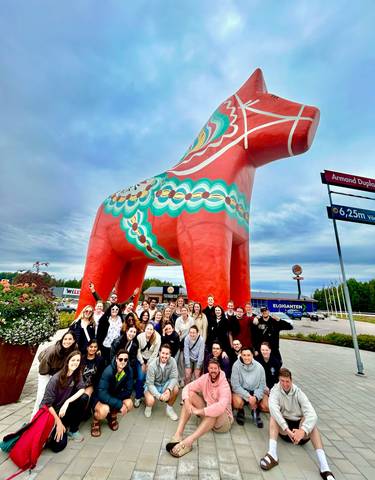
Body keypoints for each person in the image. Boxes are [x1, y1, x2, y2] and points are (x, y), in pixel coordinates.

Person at [260, 368, 336, 480]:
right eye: (282, 381)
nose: (285, 384)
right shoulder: (275, 391)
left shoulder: (298, 392)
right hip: (285, 430)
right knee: (273, 417)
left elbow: (312, 414)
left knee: (312, 425)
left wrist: (303, 431)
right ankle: (272, 455)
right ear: (279, 380)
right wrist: (287, 430)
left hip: (300, 430)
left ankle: (325, 468)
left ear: (291, 380)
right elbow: (274, 410)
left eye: (287, 381)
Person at [166, 358, 233, 458]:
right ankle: (178, 434)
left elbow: (220, 407)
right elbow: (187, 388)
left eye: (215, 368)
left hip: (223, 422)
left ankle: (189, 442)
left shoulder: (224, 385)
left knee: (214, 411)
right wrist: (187, 402)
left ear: (219, 369)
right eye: (211, 368)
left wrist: (199, 411)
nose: (213, 370)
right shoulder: (205, 378)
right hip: (207, 413)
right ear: (208, 369)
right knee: (190, 395)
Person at [41, 350, 87, 451]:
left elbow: (82, 389)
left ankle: (72, 429)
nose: (75, 362)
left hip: (64, 410)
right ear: (67, 361)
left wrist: (67, 402)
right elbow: (47, 404)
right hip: (52, 413)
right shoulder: (55, 379)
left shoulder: (76, 373)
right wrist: (58, 422)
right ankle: (53, 432)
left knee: (84, 397)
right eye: (73, 360)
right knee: (57, 447)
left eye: (78, 360)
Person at [31, 331, 77, 418]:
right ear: (62, 340)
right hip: (45, 369)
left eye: (70, 339)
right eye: (65, 339)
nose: (67, 341)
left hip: (58, 370)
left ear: (74, 340)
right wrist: (50, 379)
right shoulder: (52, 351)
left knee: (55, 393)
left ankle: (49, 415)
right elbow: (43, 369)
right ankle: (34, 417)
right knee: (42, 393)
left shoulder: (74, 349)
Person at [91, 349, 133, 437]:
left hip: (113, 395)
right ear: (116, 359)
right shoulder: (109, 371)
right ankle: (96, 420)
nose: (123, 362)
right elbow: (102, 394)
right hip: (99, 396)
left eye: (125, 359)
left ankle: (111, 416)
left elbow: (128, 391)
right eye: (121, 359)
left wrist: (116, 402)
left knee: (129, 403)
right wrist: (119, 404)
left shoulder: (129, 370)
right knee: (104, 410)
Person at [231, 347, 266, 428]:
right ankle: (241, 411)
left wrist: (256, 397)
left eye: (248, 355)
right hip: (241, 391)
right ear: (241, 355)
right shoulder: (236, 366)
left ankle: (255, 410)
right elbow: (235, 385)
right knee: (237, 403)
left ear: (252, 355)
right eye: (244, 355)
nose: (246, 357)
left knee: (266, 406)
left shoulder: (260, 367)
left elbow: (262, 386)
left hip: (255, 391)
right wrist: (249, 397)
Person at [144, 344, 179, 420]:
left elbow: (174, 377)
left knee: (176, 388)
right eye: (163, 353)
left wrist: (169, 390)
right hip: (153, 385)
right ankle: (148, 406)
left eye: (167, 354)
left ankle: (169, 409)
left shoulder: (173, 361)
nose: (164, 356)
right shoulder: (152, 365)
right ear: (159, 353)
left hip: (165, 385)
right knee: (150, 401)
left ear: (170, 354)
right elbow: (150, 384)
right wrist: (159, 396)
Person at [134, 323, 161, 407]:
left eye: (151, 329)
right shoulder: (140, 337)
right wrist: (142, 363)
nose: (149, 331)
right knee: (140, 377)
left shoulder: (157, 338)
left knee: (148, 378)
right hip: (140, 358)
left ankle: (146, 395)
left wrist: (149, 364)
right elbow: (137, 350)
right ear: (144, 329)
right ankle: (137, 398)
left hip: (151, 360)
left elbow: (155, 353)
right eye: (148, 329)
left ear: (153, 330)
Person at [81, 340, 105, 415]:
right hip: (81, 383)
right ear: (87, 347)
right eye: (91, 347)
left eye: (95, 347)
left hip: (92, 384)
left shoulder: (100, 359)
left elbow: (101, 375)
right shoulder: (82, 358)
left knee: (84, 397)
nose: (93, 349)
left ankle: (86, 411)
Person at [256, 342, 281, 412]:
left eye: (266, 350)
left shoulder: (276, 362)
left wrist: (271, 390)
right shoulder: (257, 361)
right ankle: (258, 403)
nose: (264, 352)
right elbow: (255, 377)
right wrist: (264, 386)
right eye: (262, 350)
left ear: (270, 350)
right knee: (265, 407)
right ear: (260, 350)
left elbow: (277, 379)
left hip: (273, 388)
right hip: (261, 387)